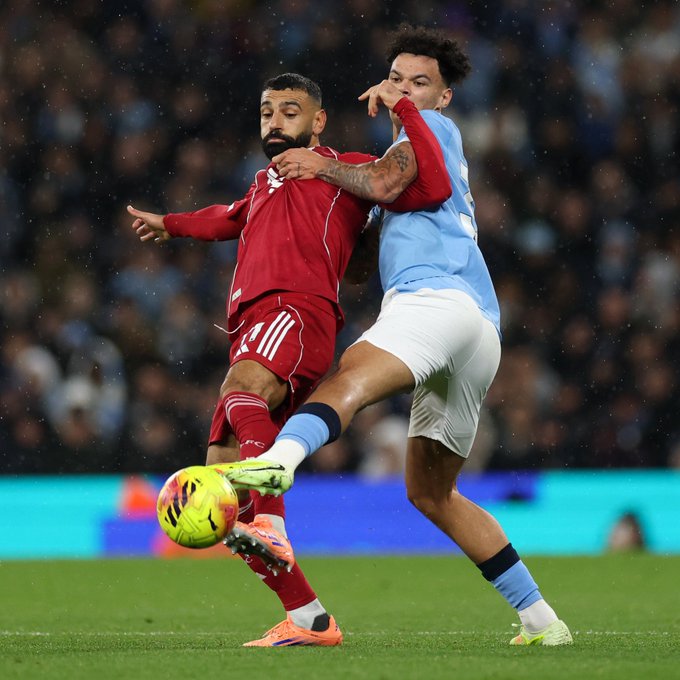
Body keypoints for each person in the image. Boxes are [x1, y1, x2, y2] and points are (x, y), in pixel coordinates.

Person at [215, 26, 574, 647]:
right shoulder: (400, 166)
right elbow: (362, 243)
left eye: (419, 82)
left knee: (345, 381)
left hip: (434, 300)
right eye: (397, 77)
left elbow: (393, 183)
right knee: (432, 492)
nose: (402, 88)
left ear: (443, 98)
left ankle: (275, 466)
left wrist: (323, 164)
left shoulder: (427, 132)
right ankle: (543, 620)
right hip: (478, 328)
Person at [128, 71, 450, 646]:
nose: (275, 122)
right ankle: (309, 617)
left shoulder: (341, 169)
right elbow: (226, 216)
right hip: (253, 322)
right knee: (225, 485)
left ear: (318, 120)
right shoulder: (263, 182)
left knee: (240, 388)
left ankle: (272, 521)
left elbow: (425, 186)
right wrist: (170, 224)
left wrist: (409, 116)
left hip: (296, 309)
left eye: (290, 111)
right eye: (267, 112)